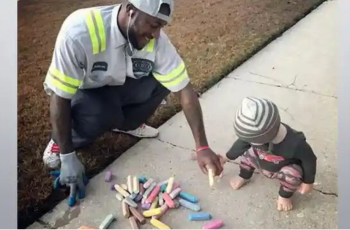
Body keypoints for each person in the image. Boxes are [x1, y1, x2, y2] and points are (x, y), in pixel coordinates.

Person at [42, 0, 223, 199]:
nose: (156, 35)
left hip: (120, 83)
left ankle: (127, 124)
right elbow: (60, 96)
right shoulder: (79, 31)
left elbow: (185, 91)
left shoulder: (156, 41)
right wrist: (68, 157)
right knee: (103, 113)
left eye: (161, 27)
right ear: (130, 11)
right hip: (88, 91)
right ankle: (59, 142)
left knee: (165, 82)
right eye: (153, 25)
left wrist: (202, 146)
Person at [221, 97, 317, 211]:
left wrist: (308, 182)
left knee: (293, 175)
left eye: (253, 141)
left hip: (283, 167)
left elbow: (309, 160)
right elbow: (241, 144)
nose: (248, 142)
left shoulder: (295, 143)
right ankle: (244, 175)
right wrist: (226, 157)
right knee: (247, 154)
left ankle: (284, 195)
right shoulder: (253, 134)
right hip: (262, 159)